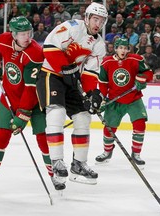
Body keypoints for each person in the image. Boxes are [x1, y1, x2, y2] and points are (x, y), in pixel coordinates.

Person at [0, 16, 65, 191]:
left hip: (35, 102)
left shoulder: (35, 52)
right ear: (13, 34)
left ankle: (55, 174)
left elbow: (30, 89)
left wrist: (21, 117)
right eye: (22, 34)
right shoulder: (3, 40)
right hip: (9, 99)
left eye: (29, 33)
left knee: (44, 138)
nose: (27, 37)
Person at [36, 2, 108, 185]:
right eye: (95, 19)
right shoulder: (72, 27)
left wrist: (92, 94)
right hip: (52, 74)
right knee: (57, 113)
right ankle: (57, 161)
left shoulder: (99, 44)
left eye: (101, 20)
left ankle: (79, 163)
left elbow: (91, 73)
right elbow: (50, 46)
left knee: (83, 117)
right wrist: (65, 68)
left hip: (72, 80)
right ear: (87, 17)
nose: (97, 24)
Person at [95, 38, 153, 166]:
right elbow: (103, 83)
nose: (123, 50)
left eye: (125, 48)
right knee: (109, 128)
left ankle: (136, 154)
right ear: (115, 48)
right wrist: (103, 99)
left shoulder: (135, 59)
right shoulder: (107, 62)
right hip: (114, 100)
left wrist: (142, 79)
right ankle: (107, 152)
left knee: (140, 124)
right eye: (120, 48)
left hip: (134, 98)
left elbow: (148, 73)